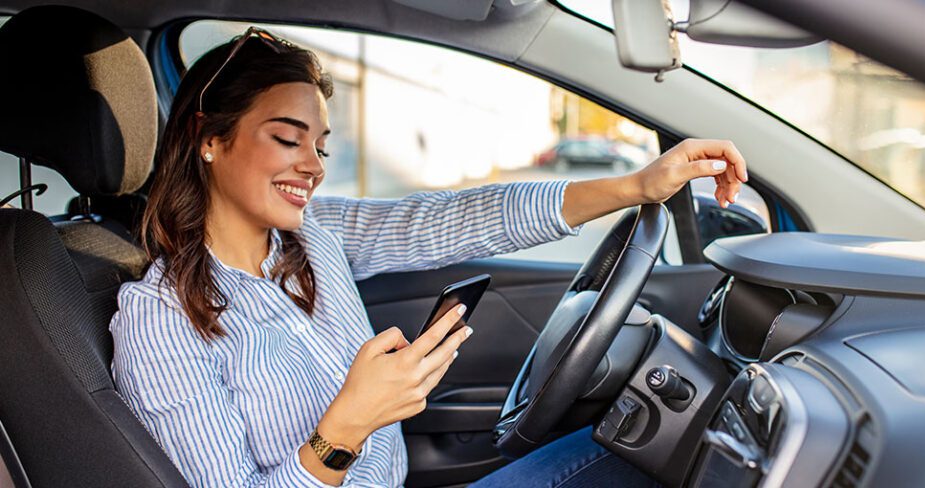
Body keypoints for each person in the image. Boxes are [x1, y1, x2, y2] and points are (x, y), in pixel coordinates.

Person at [109, 27, 747, 488]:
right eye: (286, 138)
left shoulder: (313, 237)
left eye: (322, 147)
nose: (312, 166)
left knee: (649, 449)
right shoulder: (160, 318)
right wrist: (347, 427)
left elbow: (452, 220)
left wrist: (634, 187)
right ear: (209, 139)